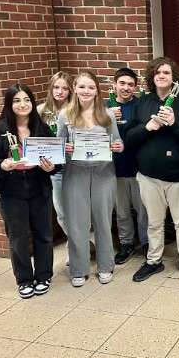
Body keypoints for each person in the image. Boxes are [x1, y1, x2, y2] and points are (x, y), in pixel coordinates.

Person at [0, 84, 59, 298]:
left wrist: (53, 167)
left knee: (44, 234)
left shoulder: (42, 129)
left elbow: (57, 160)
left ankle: (43, 275)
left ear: (32, 103)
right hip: (11, 189)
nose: (22, 104)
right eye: (16, 101)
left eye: (26, 100)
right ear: (9, 104)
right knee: (18, 236)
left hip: (38, 186)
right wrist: (2, 166)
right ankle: (24, 280)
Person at [125, 57, 179, 285]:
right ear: (152, 77)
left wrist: (175, 123)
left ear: (173, 77)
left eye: (166, 72)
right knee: (154, 223)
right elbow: (128, 138)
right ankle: (153, 261)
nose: (161, 76)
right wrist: (146, 128)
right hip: (149, 176)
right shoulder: (142, 103)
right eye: (157, 72)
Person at [58, 71, 124, 287]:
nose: (86, 91)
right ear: (75, 89)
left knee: (103, 221)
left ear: (97, 91)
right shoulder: (65, 115)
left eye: (91, 87)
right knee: (77, 223)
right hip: (75, 172)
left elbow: (117, 142)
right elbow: (59, 147)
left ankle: (106, 266)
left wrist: (118, 146)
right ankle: (79, 268)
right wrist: (64, 148)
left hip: (103, 172)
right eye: (82, 87)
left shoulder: (107, 115)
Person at [107, 67, 149, 264]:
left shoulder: (141, 105)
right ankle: (126, 244)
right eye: (122, 83)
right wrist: (109, 119)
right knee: (122, 211)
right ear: (114, 85)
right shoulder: (105, 109)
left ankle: (146, 242)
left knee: (143, 211)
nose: (126, 88)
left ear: (136, 87)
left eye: (130, 84)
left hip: (139, 168)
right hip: (114, 169)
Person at [37, 71, 73, 262]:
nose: (60, 91)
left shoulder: (76, 110)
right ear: (51, 88)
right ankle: (73, 243)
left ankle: (80, 243)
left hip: (74, 167)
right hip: (53, 170)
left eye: (65, 88)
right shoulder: (40, 111)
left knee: (78, 210)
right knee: (61, 212)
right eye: (56, 87)